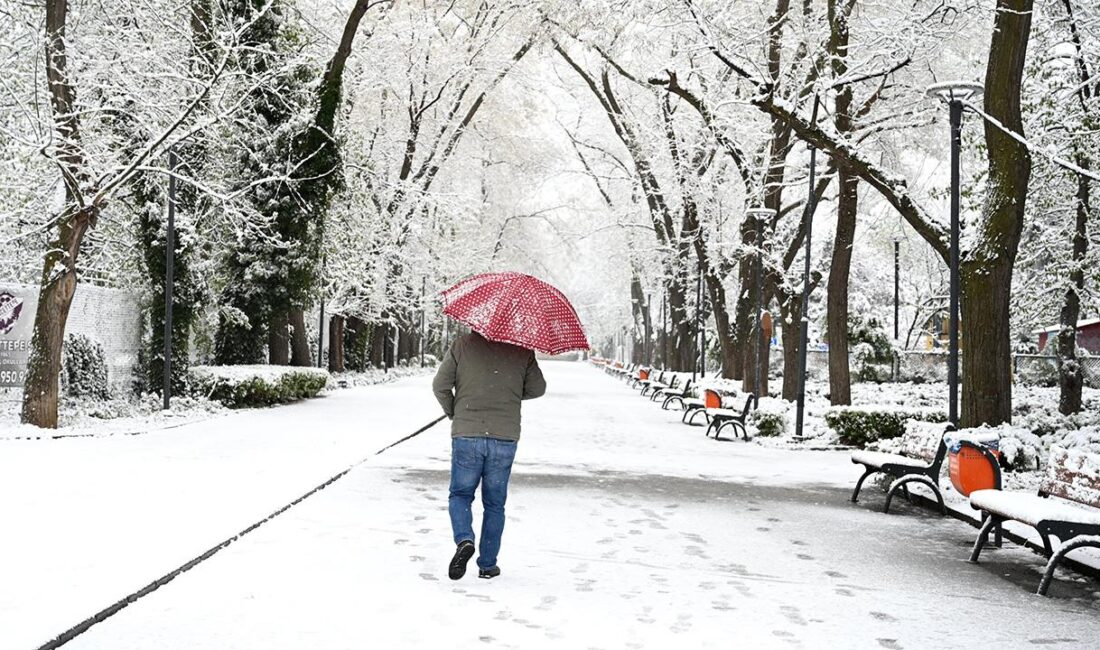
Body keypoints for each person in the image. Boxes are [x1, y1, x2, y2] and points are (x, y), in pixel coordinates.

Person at [432, 330, 546, 580]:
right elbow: (538, 388)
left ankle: (464, 539)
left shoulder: (463, 344)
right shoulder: (522, 348)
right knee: (495, 503)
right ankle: (487, 564)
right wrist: (511, 391)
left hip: (466, 434)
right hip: (504, 437)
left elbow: (439, 385)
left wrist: (454, 412)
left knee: (461, 494)